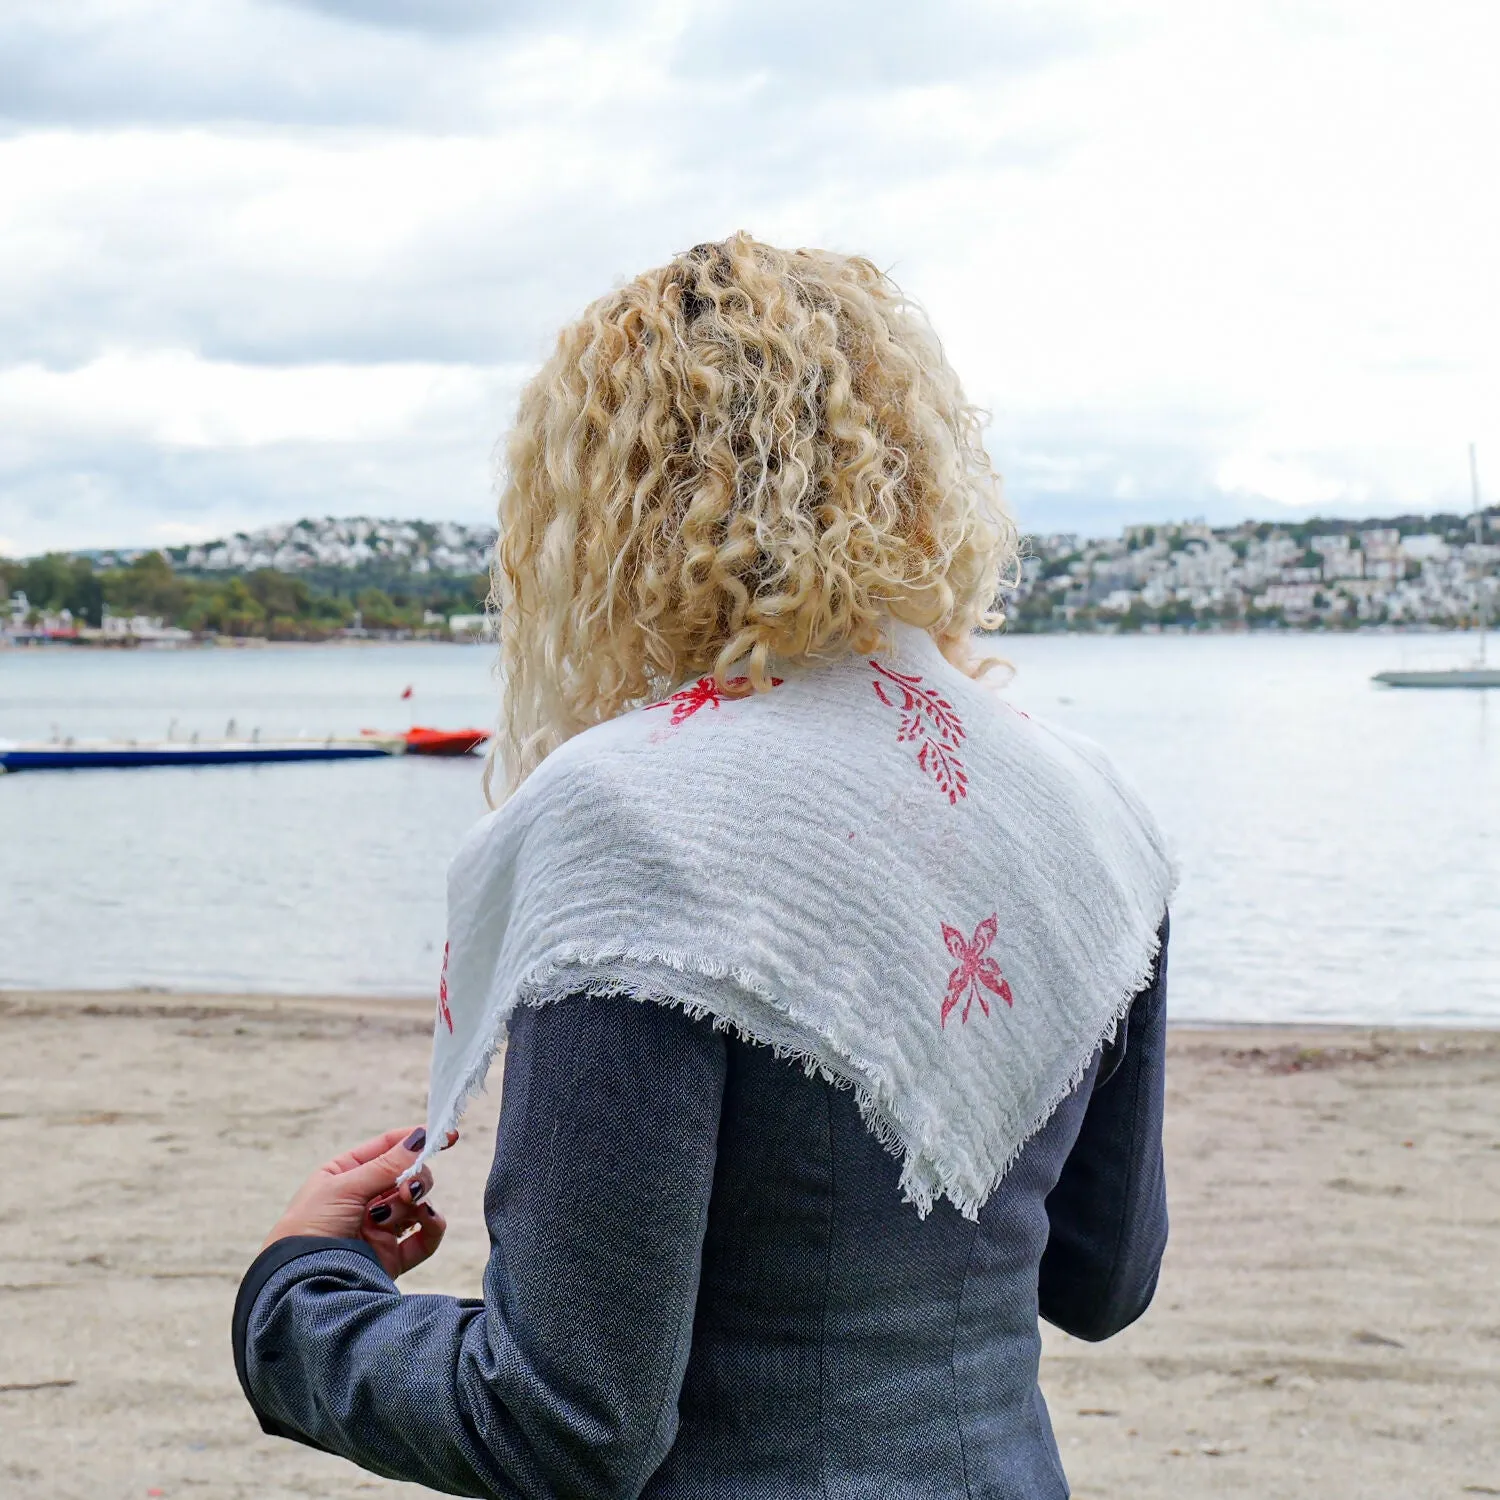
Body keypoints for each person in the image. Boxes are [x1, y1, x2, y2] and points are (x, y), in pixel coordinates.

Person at [233, 233, 1173, 1499]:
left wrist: (297, 1292)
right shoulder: (1089, 808)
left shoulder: (640, 818)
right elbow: (1104, 1280)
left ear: (603, 510)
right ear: (914, 470)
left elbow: (564, 1419)